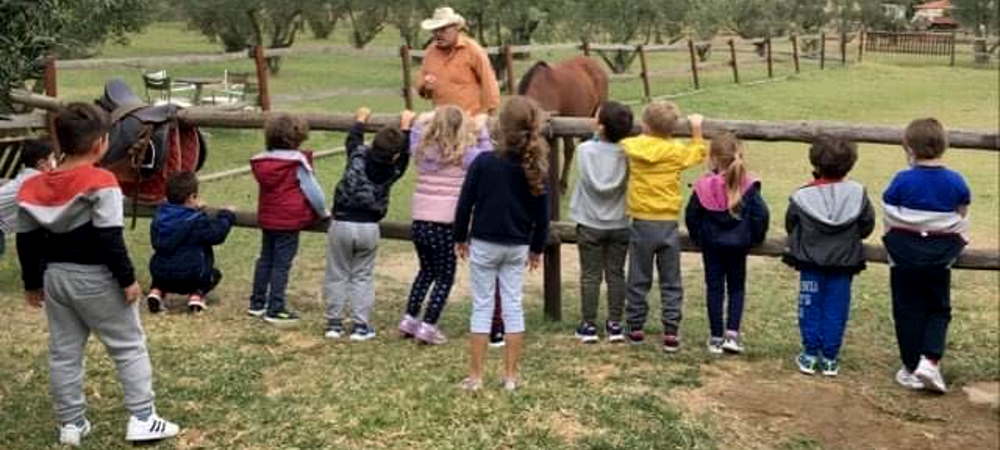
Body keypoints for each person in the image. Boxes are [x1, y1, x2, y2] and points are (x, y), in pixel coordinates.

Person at [16, 103, 179, 445]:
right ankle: (143, 417)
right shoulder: (102, 181)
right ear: (100, 143)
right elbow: (109, 237)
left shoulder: (31, 187)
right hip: (97, 277)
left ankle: (71, 425)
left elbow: (27, 239)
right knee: (128, 346)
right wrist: (127, 279)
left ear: (59, 142)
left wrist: (32, 283)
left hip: (55, 278)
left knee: (64, 352)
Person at [454, 96, 549, 391]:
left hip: (484, 242)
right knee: (513, 306)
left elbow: (464, 203)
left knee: (482, 306)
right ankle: (510, 377)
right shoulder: (534, 167)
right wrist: (536, 248)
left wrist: (459, 236)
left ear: (500, 126)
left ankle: (476, 376)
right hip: (517, 245)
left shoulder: (483, 163)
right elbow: (542, 215)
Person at [883, 118, 970, 393]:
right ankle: (930, 361)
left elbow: (889, 208)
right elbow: (962, 210)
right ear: (944, 145)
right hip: (939, 259)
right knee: (938, 309)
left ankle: (910, 367)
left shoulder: (902, 179)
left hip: (904, 258)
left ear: (908, 147)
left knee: (906, 310)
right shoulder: (955, 180)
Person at [398, 105, 492, 345]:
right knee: (445, 277)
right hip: (446, 224)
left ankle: (410, 319)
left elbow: (416, 130)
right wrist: (481, 130)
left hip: (420, 220)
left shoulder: (421, 148)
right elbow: (487, 156)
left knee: (425, 272)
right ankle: (429, 325)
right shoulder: (465, 154)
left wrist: (420, 118)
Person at [783, 135, 875, 377]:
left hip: (810, 261)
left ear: (815, 163)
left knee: (809, 306)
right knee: (837, 308)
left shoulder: (802, 196)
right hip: (844, 263)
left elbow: (791, 223)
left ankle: (810, 353)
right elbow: (867, 225)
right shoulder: (858, 194)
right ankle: (831, 358)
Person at [620, 101, 705, 352]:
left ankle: (635, 327)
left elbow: (623, 141)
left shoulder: (633, 146)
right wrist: (697, 129)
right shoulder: (676, 151)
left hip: (642, 221)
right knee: (671, 279)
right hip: (667, 222)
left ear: (644, 125)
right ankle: (670, 331)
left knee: (638, 276)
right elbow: (698, 153)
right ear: (672, 130)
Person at [323, 107, 414, 341]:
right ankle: (360, 326)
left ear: (373, 144)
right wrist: (406, 126)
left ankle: (334, 323)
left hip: (341, 222)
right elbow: (405, 156)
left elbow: (352, 140)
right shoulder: (393, 169)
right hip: (369, 227)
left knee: (337, 273)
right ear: (394, 155)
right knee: (362, 275)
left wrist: (361, 120)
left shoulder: (358, 156)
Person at [685, 132, 769, 355]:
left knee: (714, 288)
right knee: (736, 288)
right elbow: (761, 215)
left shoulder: (703, 186)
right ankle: (732, 334)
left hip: (711, 245)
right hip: (739, 245)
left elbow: (691, 214)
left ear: (712, 157)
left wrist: (697, 236)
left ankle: (715, 336)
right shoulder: (748, 185)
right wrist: (756, 237)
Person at [249, 114, 329, 326]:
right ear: (297, 138)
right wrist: (323, 212)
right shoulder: (296, 162)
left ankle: (257, 303)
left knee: (265, 258)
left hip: (269, 217)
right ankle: (275, 307)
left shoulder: (262, 162)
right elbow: (313, 191)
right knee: (281, 264)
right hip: (289, 220)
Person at [568, 101, 633, 344]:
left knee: (590, 274)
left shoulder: (584, 150)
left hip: (589, 221)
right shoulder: (628, 153)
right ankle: (615, 323)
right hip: (619, 221)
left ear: (601, 127)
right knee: (616, 273)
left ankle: (588, 324)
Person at [146, 171, 236, 313]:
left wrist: (195, 210)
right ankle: (197, 296)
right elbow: (216, 235)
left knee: (166, 264)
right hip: (191, 276)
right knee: (214, 274)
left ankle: (156, 292)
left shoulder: (159, 218)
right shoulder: (196, 221)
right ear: (192, 197)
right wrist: (226, 215)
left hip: (160, 274)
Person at [418, 6, 501, 116]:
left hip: (470, 117)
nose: (438, 34)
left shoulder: (472, 50)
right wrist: (425, 86)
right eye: (435, 30)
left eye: (443, 30)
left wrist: (490, 113)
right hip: (442, 119)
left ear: (456, 28)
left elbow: (488, 82)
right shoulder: (430, 53)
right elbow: (422, 89)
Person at [0, 139, 55, 256]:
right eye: (52, 158)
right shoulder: (36, 180)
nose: (55, 162)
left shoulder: (26, 176)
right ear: (42, 163)